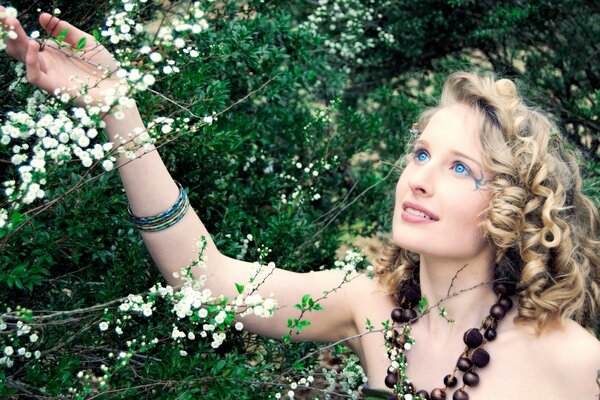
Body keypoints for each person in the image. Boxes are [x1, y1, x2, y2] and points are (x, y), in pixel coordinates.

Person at [1, 8, 599, 400]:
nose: (417, 180)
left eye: (459, 167)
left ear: (516, 206)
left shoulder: (574, 362)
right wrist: (119, 109)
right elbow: (205, 279)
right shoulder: (369, 305)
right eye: (419, 154)